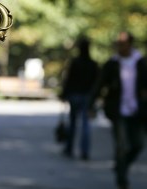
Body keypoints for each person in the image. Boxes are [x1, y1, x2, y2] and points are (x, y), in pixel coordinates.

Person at [90, 31, 147, 189]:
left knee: (138, 144)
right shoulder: (112, 63)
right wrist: (91, 104)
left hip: (138, 111)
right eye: (118, 44)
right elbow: (100, 84)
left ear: (130, 44)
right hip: (118, 111)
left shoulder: (141, 62)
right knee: (121, 146)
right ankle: (122, 179)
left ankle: (122, 165)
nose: (119, 47)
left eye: (122, 44)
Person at [60, 37, 99, 160]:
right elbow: (96, 83)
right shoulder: (93, 64)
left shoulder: (75, 62)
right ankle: (84, 151)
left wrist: (64, 94)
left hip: (75, 95)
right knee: (85, 125)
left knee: (73, 123)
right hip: (86, 96)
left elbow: (69, 80)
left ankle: (69, 148)